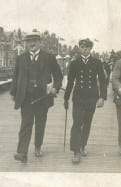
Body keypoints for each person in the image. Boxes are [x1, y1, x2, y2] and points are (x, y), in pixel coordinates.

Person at [10, 32, 63, 163]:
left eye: (34, 41)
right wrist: (13, 92)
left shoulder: (49, 58)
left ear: (40, 42)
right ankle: (22, 152)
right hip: (26, 98)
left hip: (43, 98)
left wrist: (55, 88)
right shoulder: (21, 58)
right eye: (29, 41)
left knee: (40, 124)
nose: (32, 44)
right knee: (26, 124)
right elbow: (15, 77)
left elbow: (58, 76)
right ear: (26, 44)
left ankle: (38, 146)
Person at [64, 38, 107, 164]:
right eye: (82, 47)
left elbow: (103, 81)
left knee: (87, 123)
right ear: (79, 48)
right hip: (78, 98)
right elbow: (70, 82)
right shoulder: (74, 63)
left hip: (91, 98)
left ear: (90, 49)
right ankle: (76, 151)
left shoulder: (97, 63)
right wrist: (66, 98)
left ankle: (82, 146)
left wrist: (102, 97)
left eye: (87, 48)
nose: (84, 50)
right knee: (77, 123)